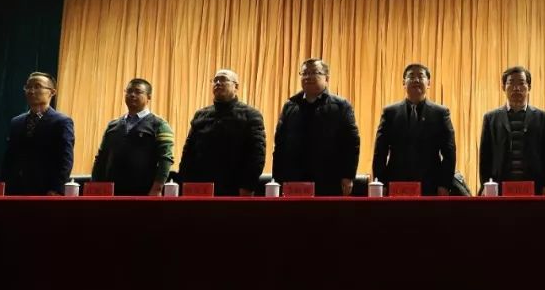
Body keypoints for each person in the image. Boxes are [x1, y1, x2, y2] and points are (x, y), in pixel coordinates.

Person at [272, 58, 361, 196]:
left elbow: (351, 144)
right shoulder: (290, 105)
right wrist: (277, 178)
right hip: (294, 179)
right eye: (304, 73)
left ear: (327, 78)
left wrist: (348, 176)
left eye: (314, 72)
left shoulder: (341, 106)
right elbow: (280, 144)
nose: (308, 77)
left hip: (329, 178)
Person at [178, 69, 266, 196]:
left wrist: (247, 186)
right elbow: (188, 153)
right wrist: (184, 183)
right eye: (215, 80)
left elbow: (257, 154)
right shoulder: (201, 115)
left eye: (223, 79)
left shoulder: (251, 115)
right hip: (201, 187)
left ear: (236, 86)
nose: (218, 83)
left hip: (235, 188)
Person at [372, 63, 456, 196]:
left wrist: (444, 184)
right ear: (403, 83)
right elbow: (380, 152)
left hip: (430, 185)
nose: (416, 80)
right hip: (396, 183)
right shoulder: (390, 112)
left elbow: (449, 153)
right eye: (411, 76)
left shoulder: (440, 113)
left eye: (421, 76)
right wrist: (380, 183)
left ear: (428, 83)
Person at [478, 66, 545, 195]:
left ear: (529, 87)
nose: (516, 88)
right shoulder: (491, 118)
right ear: (503, 87)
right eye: (511, 83)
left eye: (521, 83)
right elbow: (485, 157)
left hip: (535, 187)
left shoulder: (543, 118)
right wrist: (485, 186)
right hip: (499, 187)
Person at [90, 78, 175, 196]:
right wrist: (94, 185)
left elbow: (165, 160)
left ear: (149, 97)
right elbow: (101, 158)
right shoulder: (113, 126)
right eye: (129, 91)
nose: (132, 95)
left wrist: (157, 189)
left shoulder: (159, 125)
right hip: (111, 193)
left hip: (143, 192)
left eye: (138, 92)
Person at [1, 72, 74, 196]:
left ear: (52, 92)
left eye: (37, 86)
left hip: (45, 191)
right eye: (28, 87)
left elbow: (65, 159)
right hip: (14, 191)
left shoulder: (61, 122)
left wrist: (56, 189)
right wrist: (3, 186)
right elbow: (9, 159)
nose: (31, 91)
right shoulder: (16, 122)